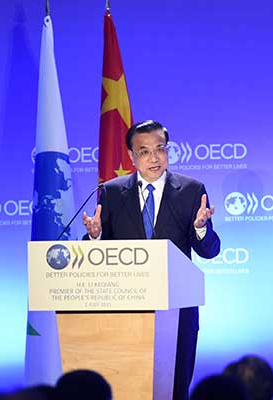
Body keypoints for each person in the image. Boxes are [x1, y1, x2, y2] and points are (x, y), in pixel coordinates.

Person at [82, 120, 221, 400]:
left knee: (175, 389)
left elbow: (210, 250)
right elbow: (94, 256)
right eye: (144, 151)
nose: (154, 157)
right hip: (125, 308)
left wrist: (200, 228)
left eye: (160, 148)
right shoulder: (110, 192)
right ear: (132, 157)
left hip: (178, 310)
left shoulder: (192, 190)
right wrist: (95, 237)